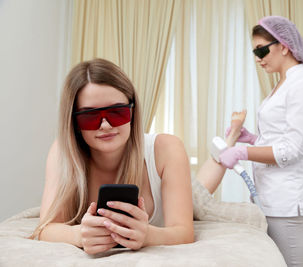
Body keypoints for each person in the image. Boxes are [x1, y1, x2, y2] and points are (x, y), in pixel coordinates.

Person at [31, 58, 195, 254]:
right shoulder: (62, 153)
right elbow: (45, 229)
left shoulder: (167, 148)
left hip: (184, 184)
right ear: (74, 121)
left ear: (132, 111)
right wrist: (79, 235)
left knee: (203, 195)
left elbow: (184, 232)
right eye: (90, 115)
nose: (106, 125)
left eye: (117, 112)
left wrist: (148, 235)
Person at [216, 16, 303, 267]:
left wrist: (243, 151)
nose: (258, 57)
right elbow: (280, 137)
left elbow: (293, 149)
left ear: (284, 46)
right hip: (270, 197)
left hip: (287, 198)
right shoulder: (282, 84)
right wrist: (253, 139)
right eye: (255, 51)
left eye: (262, 50)